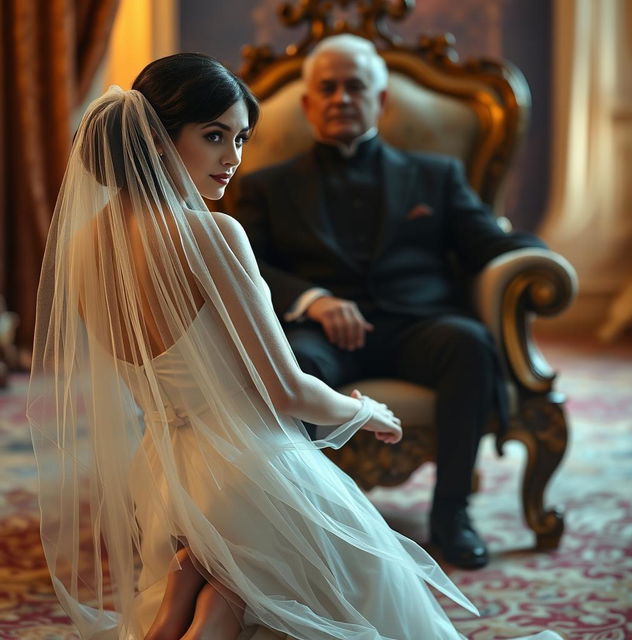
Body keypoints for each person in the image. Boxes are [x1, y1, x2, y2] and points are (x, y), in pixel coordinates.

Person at [27, 53, 561, 640]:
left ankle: (196, 596)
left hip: (166, 483)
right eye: (213, 136)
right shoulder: (212, 233)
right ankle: (205, 592)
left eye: (240, 139)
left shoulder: (80, 246)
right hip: (247, 471)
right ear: (156, 139)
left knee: (241, 593)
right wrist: (364, 411)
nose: (232, 159)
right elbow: (285, 389)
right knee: (372, 582)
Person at [233, 35, 548, 570]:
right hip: (322, 333)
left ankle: (452, 515)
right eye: (326, 88)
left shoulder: (436, 175)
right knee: (295, 366)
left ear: (379, 101)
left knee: (469, 344)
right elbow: (246, 263)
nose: (340, 98)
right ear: (309, 104)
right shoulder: (267, 186)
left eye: (354, 87)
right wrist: (312, 300)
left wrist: (542, 260)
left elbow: (487, 244)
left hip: (417, 327)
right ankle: (307, 519)